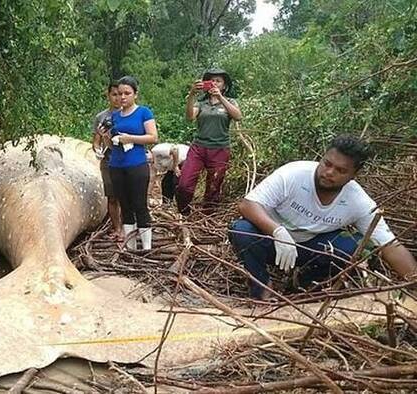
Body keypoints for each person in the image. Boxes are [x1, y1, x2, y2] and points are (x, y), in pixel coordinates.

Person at [228, 135, 417, 299]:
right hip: (273, 242)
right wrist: (277, 231)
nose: (329, 173)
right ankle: (262, 287)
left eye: (340, 170)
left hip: (312, 248)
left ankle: (305, 283)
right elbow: (247, 205)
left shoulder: (358, 201)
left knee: (358, 246)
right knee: (241, 230)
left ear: (354, 175)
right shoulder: (293, 174)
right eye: (327, 163)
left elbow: (390, 245)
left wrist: (414, 282)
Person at [177, 68, 242, 214]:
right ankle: (184, 214)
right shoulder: (201, 103)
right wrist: (191, 95)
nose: (214, 83)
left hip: (220, 149)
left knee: (213, 189)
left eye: (218, 81)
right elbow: (189, 117)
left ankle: (206, 220)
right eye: (211, 80)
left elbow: (238, 116)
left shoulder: (230, 102)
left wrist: (221, 98)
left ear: (224, 86)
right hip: (199, 148)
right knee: (184, 184)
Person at [106, 76, 158, 251]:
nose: (122, 97)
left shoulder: (143, 112)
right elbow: (111, 145)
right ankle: (130, 246)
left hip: (136, 164)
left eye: (127, 93)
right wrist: (107, 137)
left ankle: (147, 247)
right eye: (120, 93)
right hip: (116, 165)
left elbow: (153, 137)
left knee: (139, 205)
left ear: (135, 94)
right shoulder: (114, 116)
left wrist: (131, 138)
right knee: (125, 206)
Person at [92, 82, 123, 240]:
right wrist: (97, 150)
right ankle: (116, 228)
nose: (118, 98)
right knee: (112, 196)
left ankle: (128, 227)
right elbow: (96, 140)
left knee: (127, 194)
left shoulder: (130, 114)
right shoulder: (101, 117)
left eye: (121, 94)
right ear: (108, 95)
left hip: (126, 158)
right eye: (114, 94)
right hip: (108, 158)